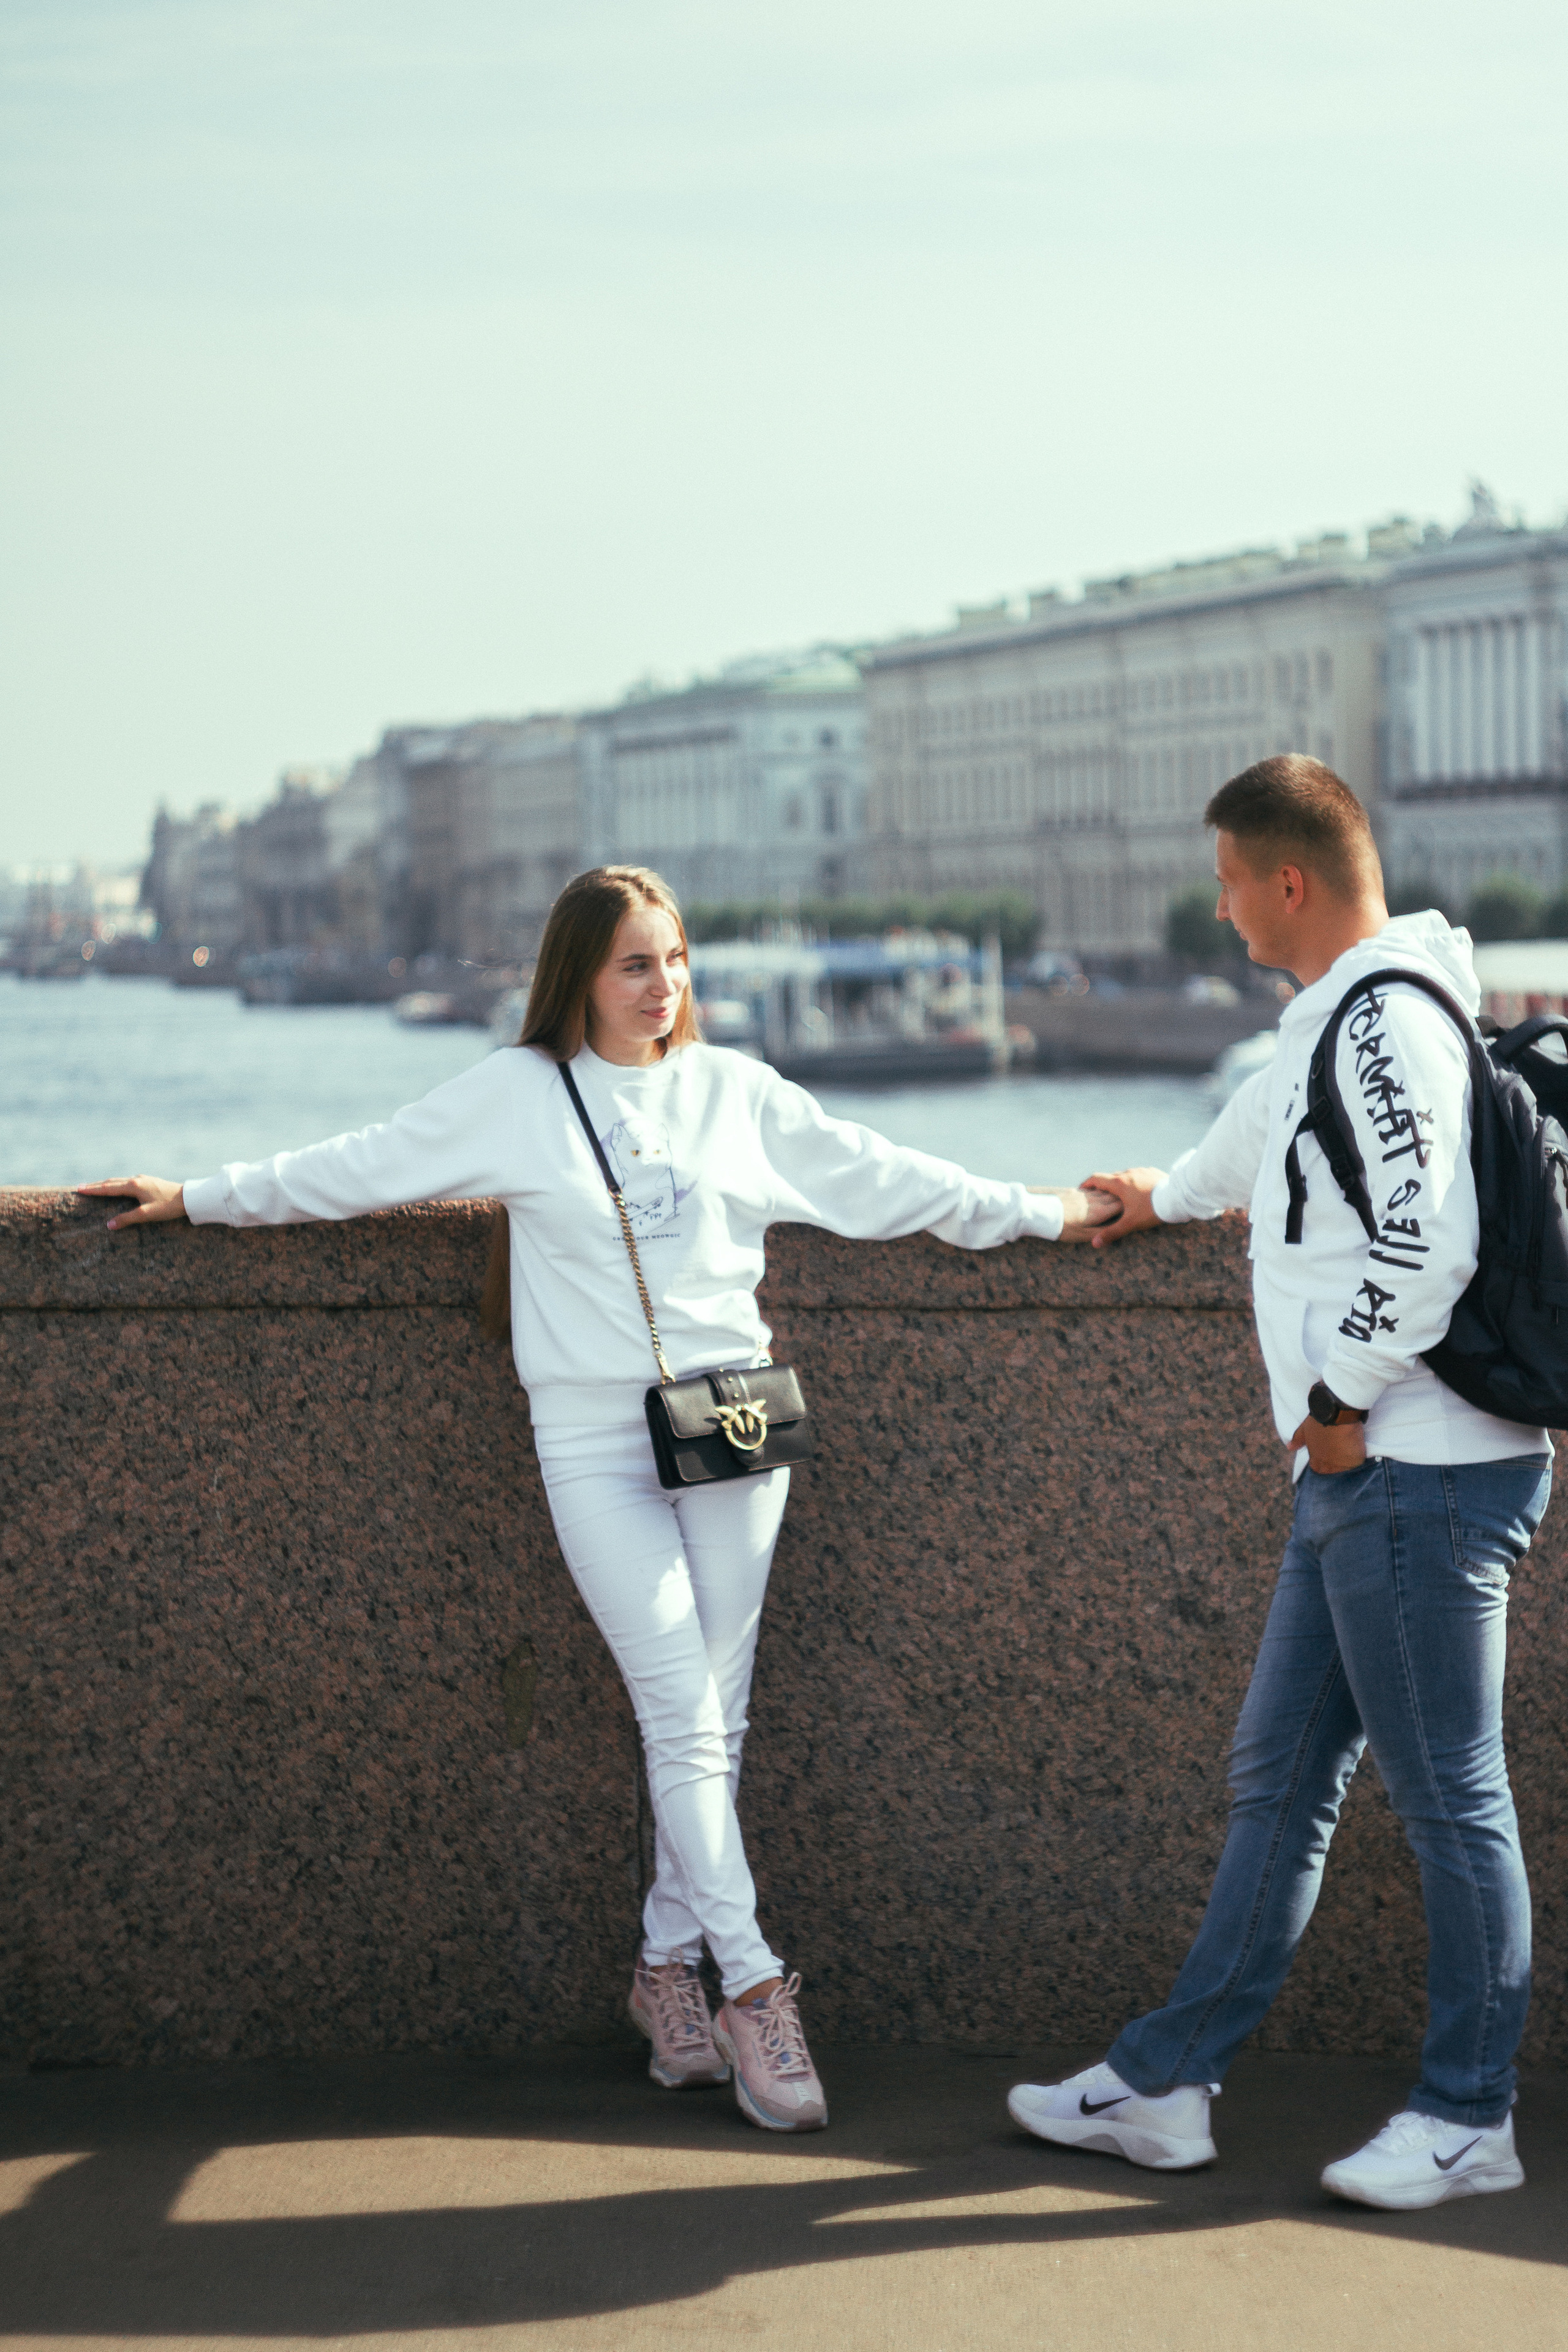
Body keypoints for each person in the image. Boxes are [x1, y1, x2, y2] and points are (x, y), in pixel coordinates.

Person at [82, 864, 1114, 2136]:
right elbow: (356, 1166)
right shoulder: (520, 1095)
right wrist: (199, 1196)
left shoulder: (735, 1093)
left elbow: (890, 1178)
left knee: (714, 1719)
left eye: (676, 960)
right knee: (681, 1708)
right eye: (635, 964)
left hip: (732, 1419)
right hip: (588, 1437)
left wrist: (1048, 1212)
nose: (663, 986)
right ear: (577, 974)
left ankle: (658, 1975)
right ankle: (750, 1987)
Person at [1006, 757, 1553, 2212]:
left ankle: (1463, 2118)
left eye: (1226, 878)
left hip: (1414, 1469)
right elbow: (1259, 1152)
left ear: (1287, 883)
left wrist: (1331, 1399)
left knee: (1449, 1802)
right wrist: (1147, 1196)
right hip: (1366, 1480)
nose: (1218, 903)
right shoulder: (1334, 1017)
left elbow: (1424, 1241)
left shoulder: (1384, 1020)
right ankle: (1165, 2086)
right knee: (1278, 1783)